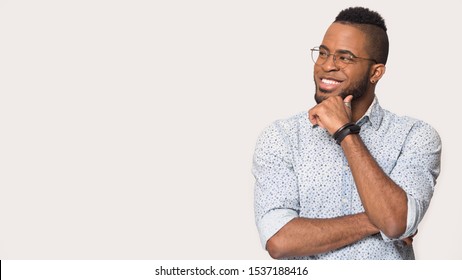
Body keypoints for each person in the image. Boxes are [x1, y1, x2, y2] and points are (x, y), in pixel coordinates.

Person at [252, 6, 441, 260]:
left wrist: (345, 132)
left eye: (345, 57)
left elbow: (396, 223)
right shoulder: (281, 137)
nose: (327, 66)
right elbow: (279, 241)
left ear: (376, 72)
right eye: (323, 53)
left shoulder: (415, 136)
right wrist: (377, 221)